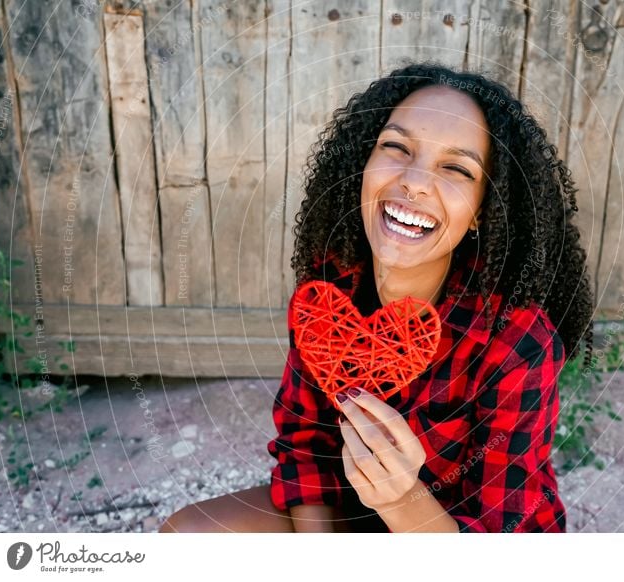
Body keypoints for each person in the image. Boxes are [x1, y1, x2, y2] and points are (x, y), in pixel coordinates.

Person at [159, 61, 593, 533]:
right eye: (396, 146)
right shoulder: (329, 296)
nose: (415, 180)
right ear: (363, 163)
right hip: (349, 515)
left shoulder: (517, 339)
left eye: (456, 168)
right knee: (188, 538)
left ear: (481, 214)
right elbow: (304, 446)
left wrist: (403, 498)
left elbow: (500, 535)